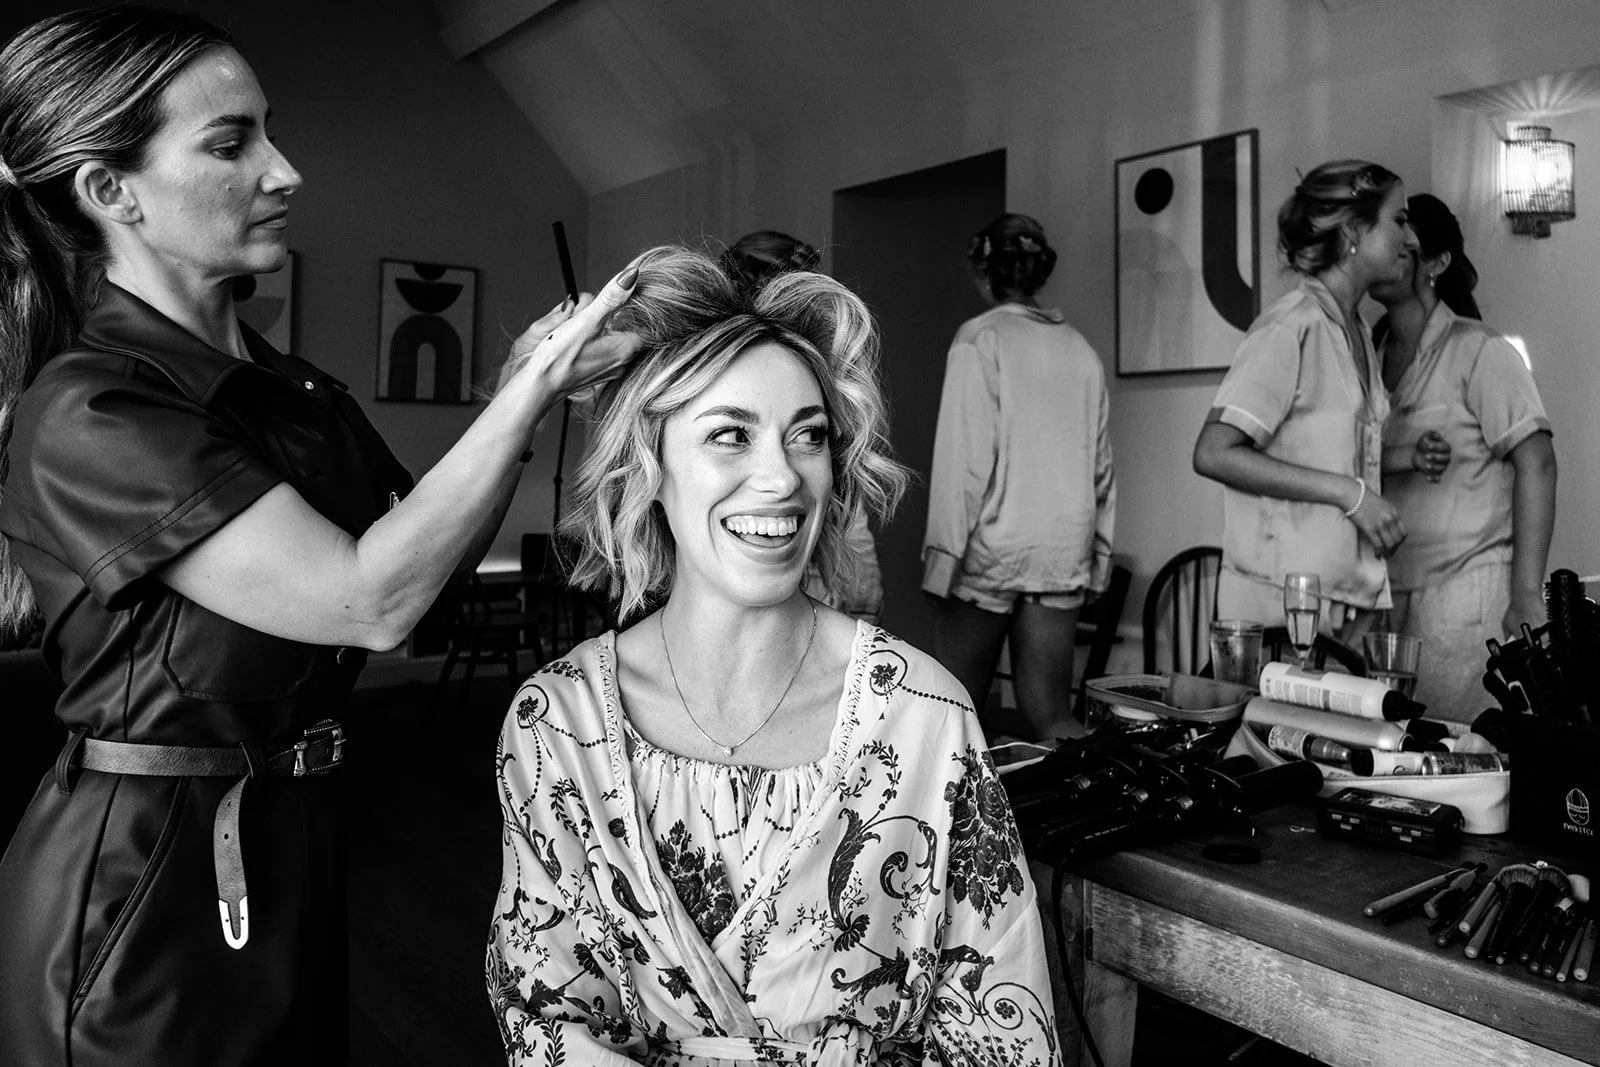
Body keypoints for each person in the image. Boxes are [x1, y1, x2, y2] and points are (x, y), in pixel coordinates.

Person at [0, 8, 640, 1064]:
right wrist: (528, 397)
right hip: (142, 882)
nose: (283, 169)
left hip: (291, 834)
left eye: (269, 130)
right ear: (111, 193)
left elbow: (417, 579)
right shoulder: (93, 410)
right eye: (229, 142)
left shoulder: (290, 390)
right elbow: (366, 598)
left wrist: (519, 387)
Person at [486, 246, 1060, 1065]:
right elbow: (546, 1021)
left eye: (809, 437)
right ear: (649, 464)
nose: (781, 479)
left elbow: (1004, 1034)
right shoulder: (557, 727)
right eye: (729, 434)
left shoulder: (925, 718)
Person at [1193, 160, 1416, 647]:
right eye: (1399, 220)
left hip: (1345, 603)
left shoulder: (1354, 329)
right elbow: (1214, 452)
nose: (1412, 238)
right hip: (1279, 611)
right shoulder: (1290, 328)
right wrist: (1351, 495)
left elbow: (1318, 450)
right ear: (1355, 230)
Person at [922, 213, 1115, 742]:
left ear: (984, 273)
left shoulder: (979, 339)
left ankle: (961, 825)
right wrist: (1097, 562)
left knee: (950, 718)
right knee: (1052, 717)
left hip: (990, 552)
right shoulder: (1081, 350)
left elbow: (963, 462)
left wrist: (941, 564)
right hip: (1061, 551)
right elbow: (1102, 471)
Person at [1369, 193, 1556, 720]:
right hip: (1382, 596)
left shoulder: (1481, 350)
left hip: (1464, 598)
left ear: (1436, 263)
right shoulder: (1368, 357)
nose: (1385, 253)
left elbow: (1537, 462)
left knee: (1463, 760)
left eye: (1404, 245)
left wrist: (1525, 595)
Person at [722, 229, 885, 622]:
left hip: (817, 563)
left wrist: (861, 588)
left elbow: (849, 490)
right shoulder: (704, 374)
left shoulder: (828, 372)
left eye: (810, 436)